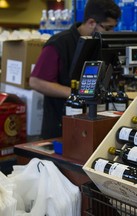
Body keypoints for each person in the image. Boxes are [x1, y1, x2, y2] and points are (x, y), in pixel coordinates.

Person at [29, 0, 121, 139]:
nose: (111, 32)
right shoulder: (59, 43)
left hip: (93, 123)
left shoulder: (101, 44)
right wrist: (78, 94)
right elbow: (36, 82)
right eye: (107, 28)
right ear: (91, 23)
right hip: (61, 128)